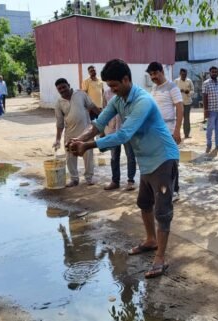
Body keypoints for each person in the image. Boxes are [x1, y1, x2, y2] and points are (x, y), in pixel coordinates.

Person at [66, 59, 179, 279]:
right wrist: (79, 138)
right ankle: (150, 240)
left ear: (127, 79)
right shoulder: (119, 100)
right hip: (147, 160)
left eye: (115, 85)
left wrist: (88, 145)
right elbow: (99, 123)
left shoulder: (143, 101)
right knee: (144, 203)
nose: (111, 89)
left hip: (163, 157)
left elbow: (124, 135)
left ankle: (160, 259)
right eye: (109, 85)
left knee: (162, 211)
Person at [147, 61, 182, 200]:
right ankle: (162, 189)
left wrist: (177, 131)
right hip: (155, 131)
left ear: (162, 71)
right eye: (150, 75)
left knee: (171, 161)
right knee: (159, 162)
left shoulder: (172, 87)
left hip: (169, 129)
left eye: (155, 73)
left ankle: (175, 191)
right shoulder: (154, 89)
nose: (153, 77)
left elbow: (180, 108)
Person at [52, 78, 98, 187]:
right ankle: (74, 179)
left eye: (64, 87)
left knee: (88, 155)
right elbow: (59, 123)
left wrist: (104, 118)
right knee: (70, 156)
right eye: (59, 89)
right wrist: (57, 140)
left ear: (69, 85)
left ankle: (89, 178)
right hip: (70, 134)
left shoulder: (80, 94)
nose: (62, 90)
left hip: (86, 132)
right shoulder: (59, 103)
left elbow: (92, 107)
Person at [102, 87, 137, 191]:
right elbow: (104, 110)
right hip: (113, 131)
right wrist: (103, 130)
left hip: (126, 129)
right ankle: (115, 181)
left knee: (130, 156)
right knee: (114, 157)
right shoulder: (107, 92)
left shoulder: (129, 91)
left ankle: (131, 181)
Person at [202, 66, 218, 154]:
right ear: (210, 73)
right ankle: (209, 143)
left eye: (216, 72)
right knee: (210, 128)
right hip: (211, 110)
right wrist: (205, 110)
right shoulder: (206, 83)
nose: (214, 73)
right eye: (213, 72)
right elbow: (204, 96)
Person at [175, 68, 195, 139]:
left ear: (186, 74)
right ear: (180, 74)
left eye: (185, 74)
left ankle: (186, 134)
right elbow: (173, 91)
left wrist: (188, 92)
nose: (184, 75)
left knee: (187, 119)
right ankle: (177, 134)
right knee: (178, 119)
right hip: (179, 103)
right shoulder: (176, 81)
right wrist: (178, 91)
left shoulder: (189, 81)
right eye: (182, 74)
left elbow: (193, 90)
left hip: (187, 102)